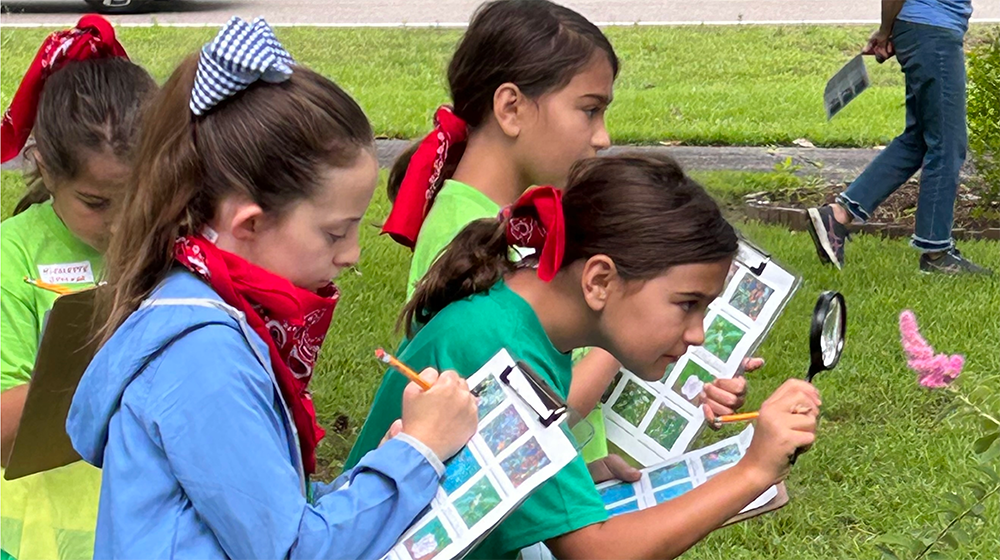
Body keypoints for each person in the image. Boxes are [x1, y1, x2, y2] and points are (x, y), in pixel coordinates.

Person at [65, 17, 478, 560]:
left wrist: (383, 473)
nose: (352, 253)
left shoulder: (212, 318)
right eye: (335, 231)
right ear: (250, 224)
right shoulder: (202, 356)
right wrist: (419, 452)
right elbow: (289, 549)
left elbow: (265, 517)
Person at [351, 154, 821, 560]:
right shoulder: (502, 352)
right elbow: (598, 552)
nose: (697, 334)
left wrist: (567, 483)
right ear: (599, 281)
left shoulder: (519, 318)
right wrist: (753, 471)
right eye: (687, 304)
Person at [379, 0, 750, 471]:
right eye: (590, 110)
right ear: (511, 107)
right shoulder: (461, 231)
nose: (603, 137)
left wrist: (679, 380)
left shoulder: (525, 218)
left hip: (550, 487)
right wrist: (621, 323)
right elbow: (508, 421)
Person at [0, 16, 157, 560]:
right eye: (96, 203)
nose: (120, 224)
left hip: (152, 521)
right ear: (44, 165)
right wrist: (116, 359)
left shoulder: (172, 235)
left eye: (139, 196)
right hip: (50, 534)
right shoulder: (12, 255)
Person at [807, 0, 991, 275]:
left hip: (924, 30)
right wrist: (885, 30)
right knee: (948, 143)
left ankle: (838, 215)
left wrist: (893, 29)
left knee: (918, 139)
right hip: (932, 31)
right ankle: (937, 253)